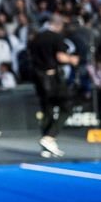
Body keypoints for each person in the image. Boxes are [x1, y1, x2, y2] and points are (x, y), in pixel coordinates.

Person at [28, 10, 79, 157]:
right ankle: (49, 137)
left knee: (47, 109)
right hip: (52, 78)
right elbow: (61, 57)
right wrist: (72, 60)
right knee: (67, 106)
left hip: (38, 77)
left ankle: (46, 146)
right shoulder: (56, 37)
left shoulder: (36, 37)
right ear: (59, 25)